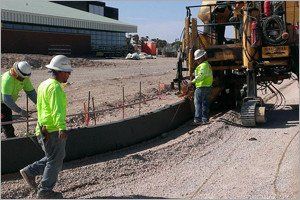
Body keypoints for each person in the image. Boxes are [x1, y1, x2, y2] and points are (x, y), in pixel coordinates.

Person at [19, 55, 72, 199]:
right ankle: (45, 191)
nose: (69, 74)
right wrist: (62, 127)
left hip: (42, 129)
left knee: (54, 157)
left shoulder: (44, 84)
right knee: (55, 160)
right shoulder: (55, 88)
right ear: (60, 71)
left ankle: (30, 171)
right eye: (67, 72)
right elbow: (57, 109)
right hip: (53, 129)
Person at [1, 61, 37, 138]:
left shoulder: (24, 78)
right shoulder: (7, 79)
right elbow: (6, 99)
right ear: (16, 72)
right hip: (2, 102)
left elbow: (31, 93)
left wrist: (40, 105)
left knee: (6, 121)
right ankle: (11, 142)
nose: (22, 79)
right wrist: (20, 111)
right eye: (21, 77)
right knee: (7, 124)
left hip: (7, 102)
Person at [191, 49, 213, 125]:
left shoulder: (203, 65)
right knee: (205, 103)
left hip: (201, 87)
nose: (197, 61)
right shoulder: (207, 65)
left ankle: (198, 120)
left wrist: (192, 82)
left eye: (197, 59)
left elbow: (201, 76)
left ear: (201, 58)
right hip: (208, 87)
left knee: (198, 103)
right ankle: (205, 119)